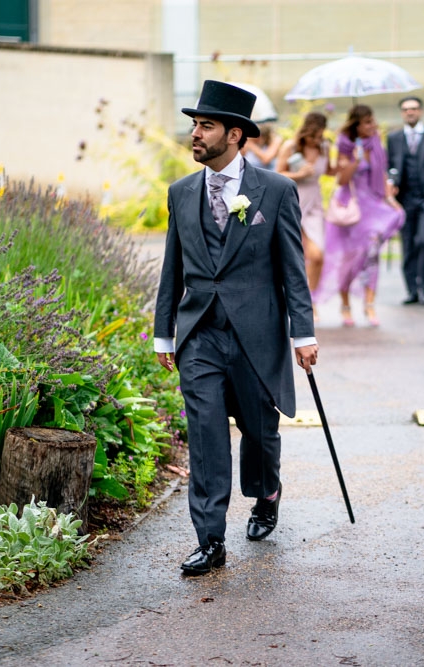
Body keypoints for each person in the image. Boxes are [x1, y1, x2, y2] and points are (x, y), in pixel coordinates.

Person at [153, 81, 318, 576]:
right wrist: (164, 334)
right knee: (204, 436)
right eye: (194, 125)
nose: (195, 134)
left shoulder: (277, 190)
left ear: (236, 134)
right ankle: (210, 539)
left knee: (260, 432)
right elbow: (172, 269)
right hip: (200, 333)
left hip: (257, 336)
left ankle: (266, 493)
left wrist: (303, 334)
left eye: (205, 126)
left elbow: (293, 267)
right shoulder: (181, 193)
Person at [315, 104, 404, 327]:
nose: (372, 126)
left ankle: (369, 305)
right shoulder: (344, 143)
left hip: (373, 205)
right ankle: (345, 306)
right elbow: (342, 180)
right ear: (357, 124)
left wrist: (390, 199)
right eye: (367, 122)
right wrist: (355, 159)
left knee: (372, 256)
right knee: (349, 261)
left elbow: (381, 172)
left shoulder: (375, 142)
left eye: (372, 121)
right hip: (351, 208)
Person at [276, 111, 337, 323]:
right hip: (292, 202)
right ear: (306, 132)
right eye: (314, 136)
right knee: (295, 257)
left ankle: (310, 300)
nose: (317, 140)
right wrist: (299, 174)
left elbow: (330, 170)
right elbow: (277, 174)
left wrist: (350, 158)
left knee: (317, 256)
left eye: (320, 136)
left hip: (315, 206)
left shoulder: (325, 147)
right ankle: (296, 303)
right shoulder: (290, 147)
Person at [386, 96, 424, 305]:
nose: (409, 112)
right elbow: (390, 166)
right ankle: (411, 290)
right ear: (402, 113)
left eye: (413, 108)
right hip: (405, 200)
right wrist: (390, 181)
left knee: (423, 240)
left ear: (420, 111)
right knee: (408, 245)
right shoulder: (394, 138)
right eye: (405, 109)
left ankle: (423, 288)